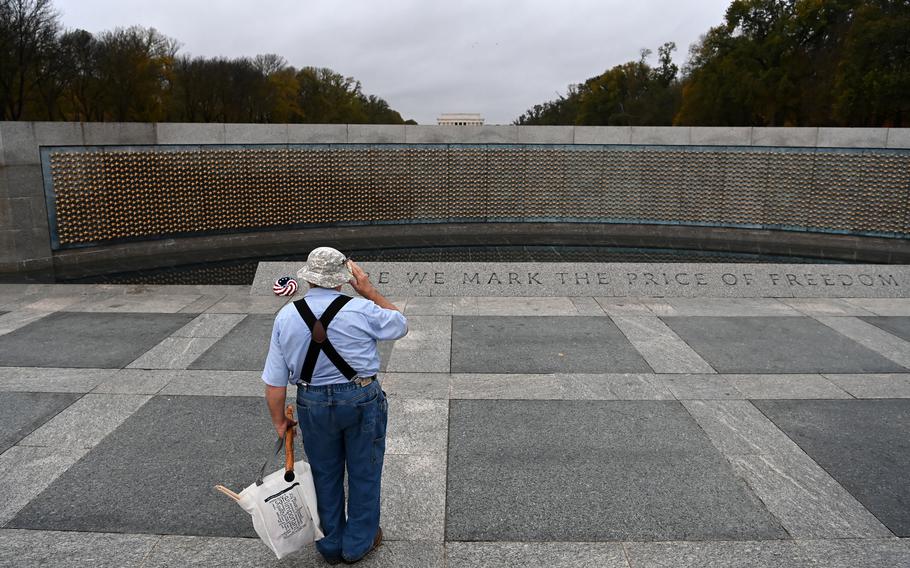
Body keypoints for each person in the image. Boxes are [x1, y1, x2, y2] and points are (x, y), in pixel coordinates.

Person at [262, 247, 408, 564]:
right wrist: (368, 289)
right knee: (364, 471)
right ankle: (358, 543)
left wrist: (279, 422)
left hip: (312, 401)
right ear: (344, 279)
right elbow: (399, 324)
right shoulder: (361, 310)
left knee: (324, 473)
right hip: (360, 397)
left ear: (308, 279)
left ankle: (330, 544)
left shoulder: (286, 315)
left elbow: (274, 383)